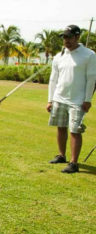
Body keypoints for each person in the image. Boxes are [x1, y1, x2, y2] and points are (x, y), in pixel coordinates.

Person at [47, 25, 96, 173]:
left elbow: (91, 78)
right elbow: (53, 79)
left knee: (75, 131)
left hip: (78, 100)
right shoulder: (59, 56)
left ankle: (74, 163)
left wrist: (88, 99)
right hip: (59, 98)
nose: (66, 40)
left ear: (77, 37)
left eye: (69, 37)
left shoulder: (89, 55)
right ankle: (62, 155)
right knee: (61, 127)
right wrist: (50, 100)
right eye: (64, 37)